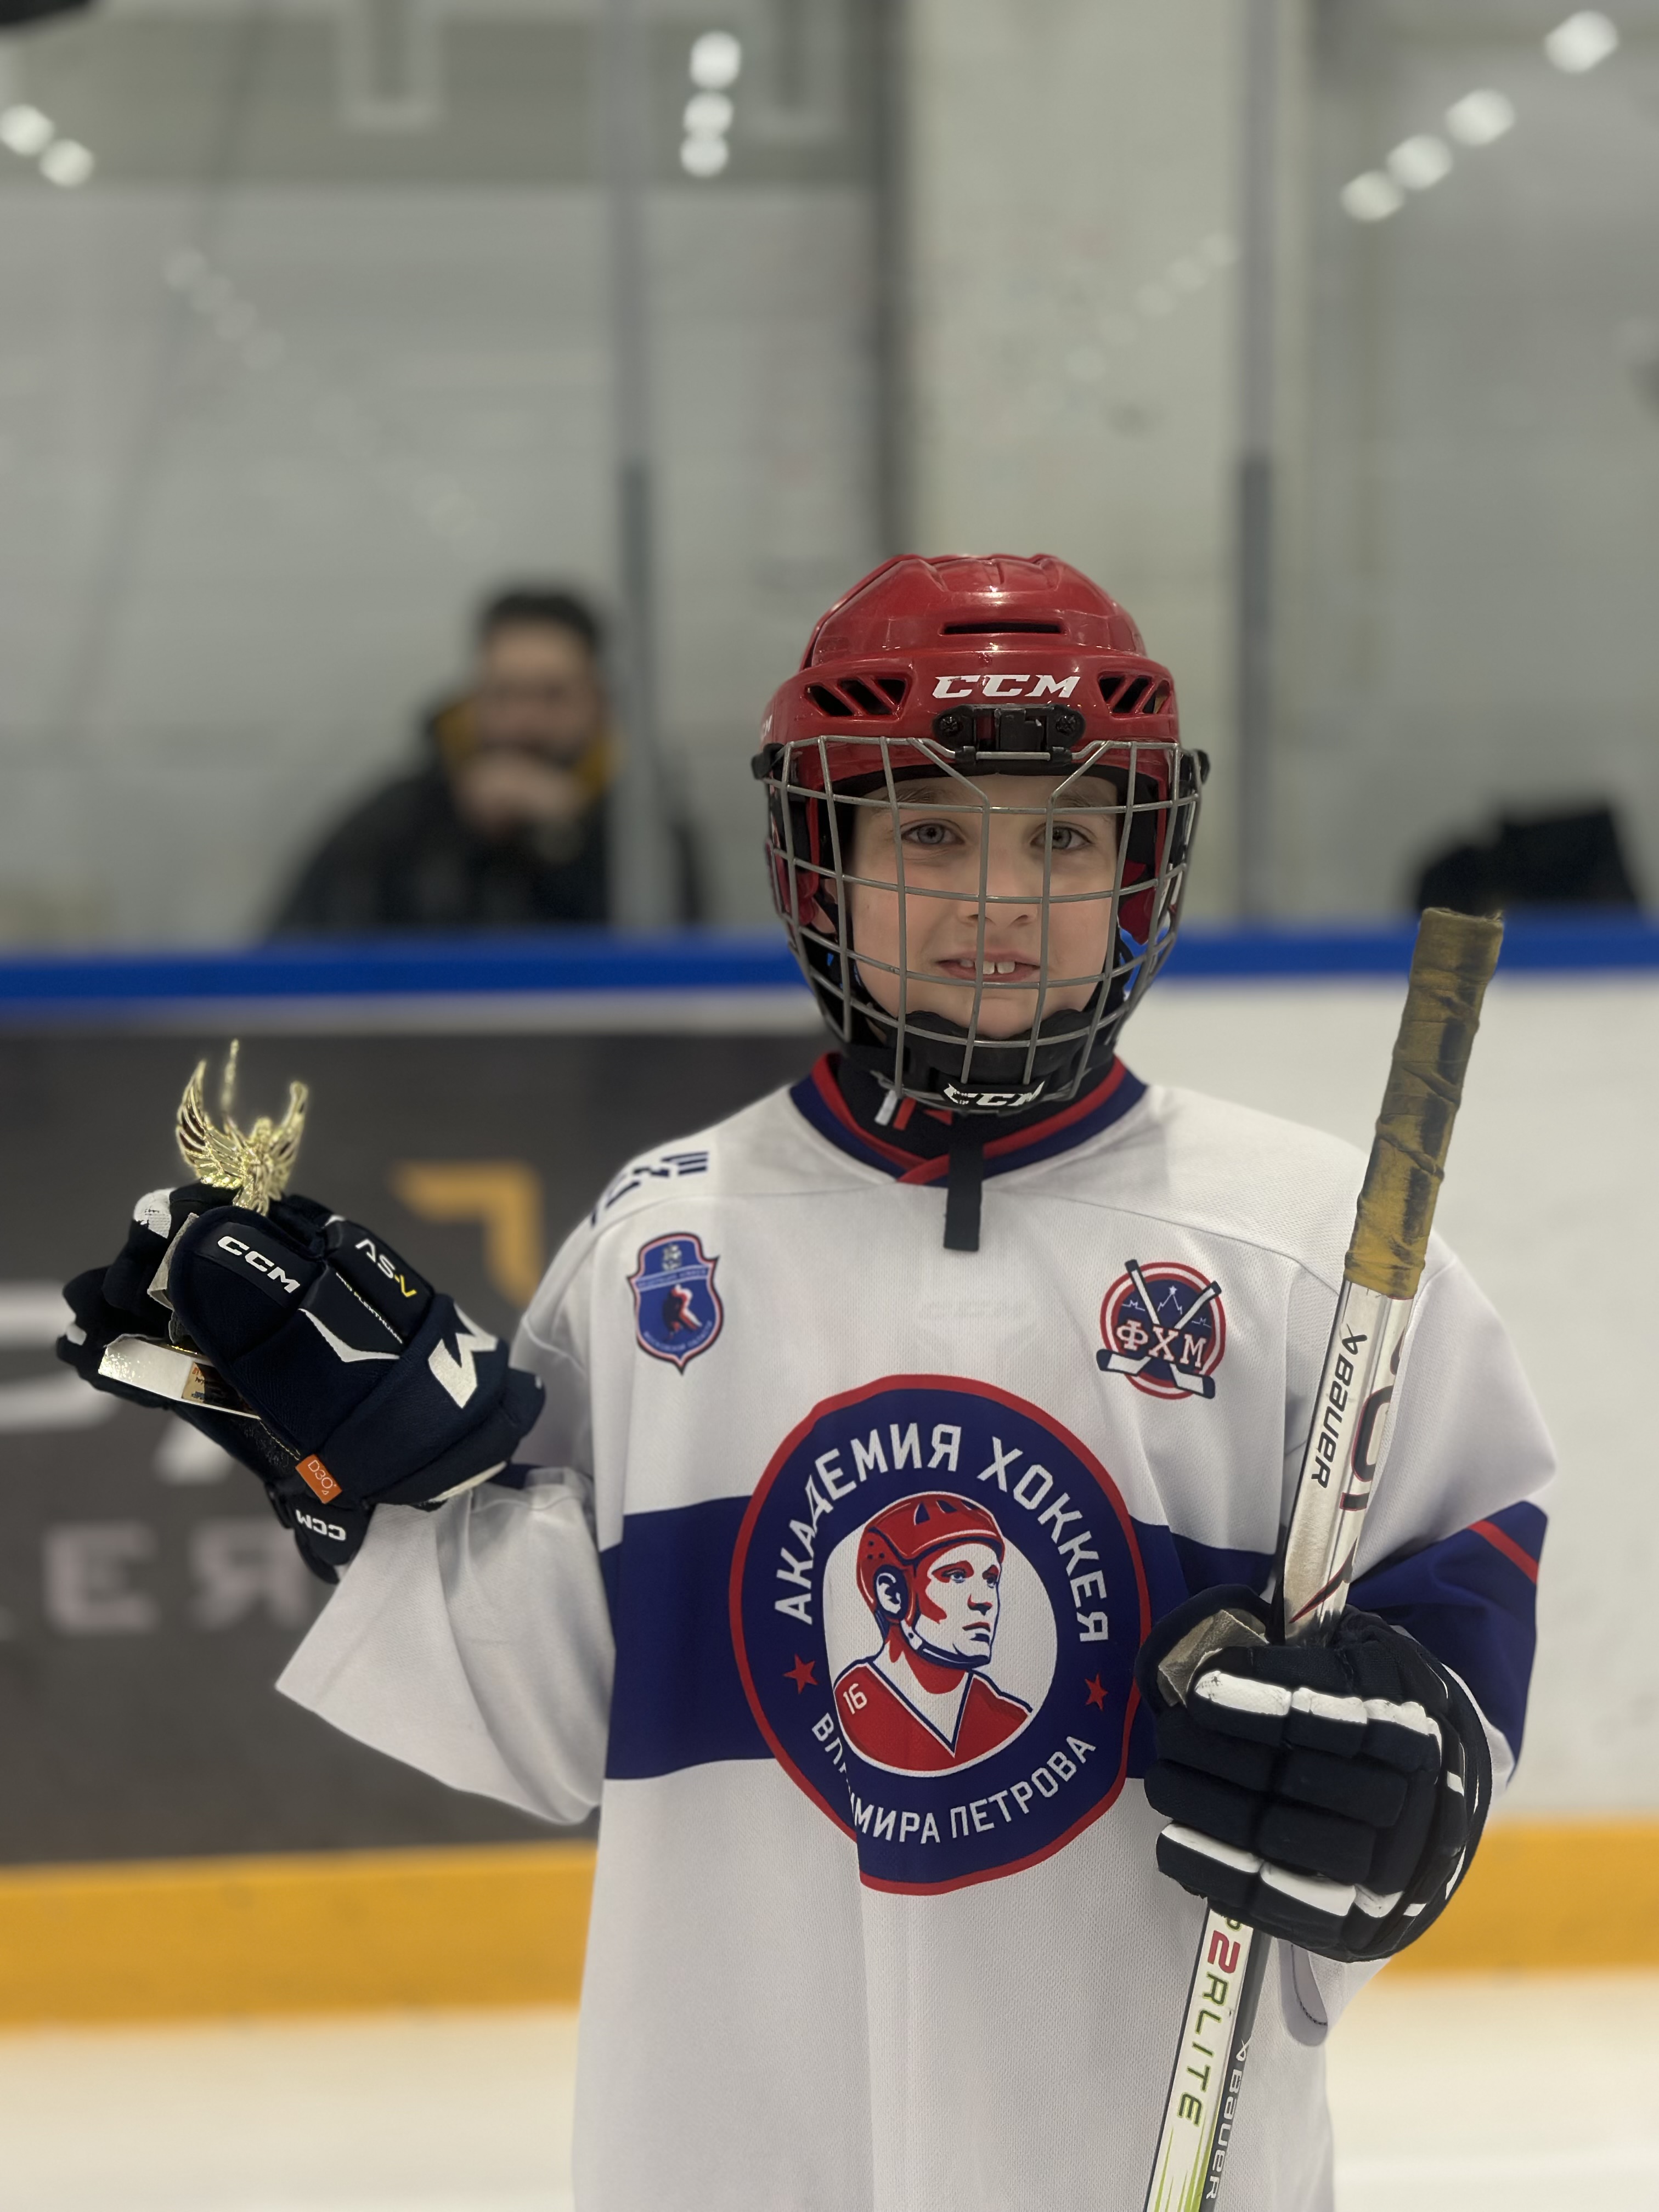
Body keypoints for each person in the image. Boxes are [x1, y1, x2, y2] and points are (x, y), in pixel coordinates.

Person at [61, 555, 1553, 2211]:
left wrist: (1414, 1772)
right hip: (735, 2142)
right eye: (932, 836)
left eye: (1064, 839)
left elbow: (1461, 1577)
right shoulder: (664, 1243)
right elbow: (563, 1719)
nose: (1000, 901)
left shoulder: (1301, 1247)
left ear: (1142, 865)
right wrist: (354, 1489)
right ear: (820, 867)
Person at [271, 586, 616, 932]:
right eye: (504, 694)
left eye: (553, 695)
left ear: (596, 702)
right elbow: (293, 945)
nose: (524, 722)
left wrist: (574, 837)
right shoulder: (394, 824)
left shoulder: (632, 826)